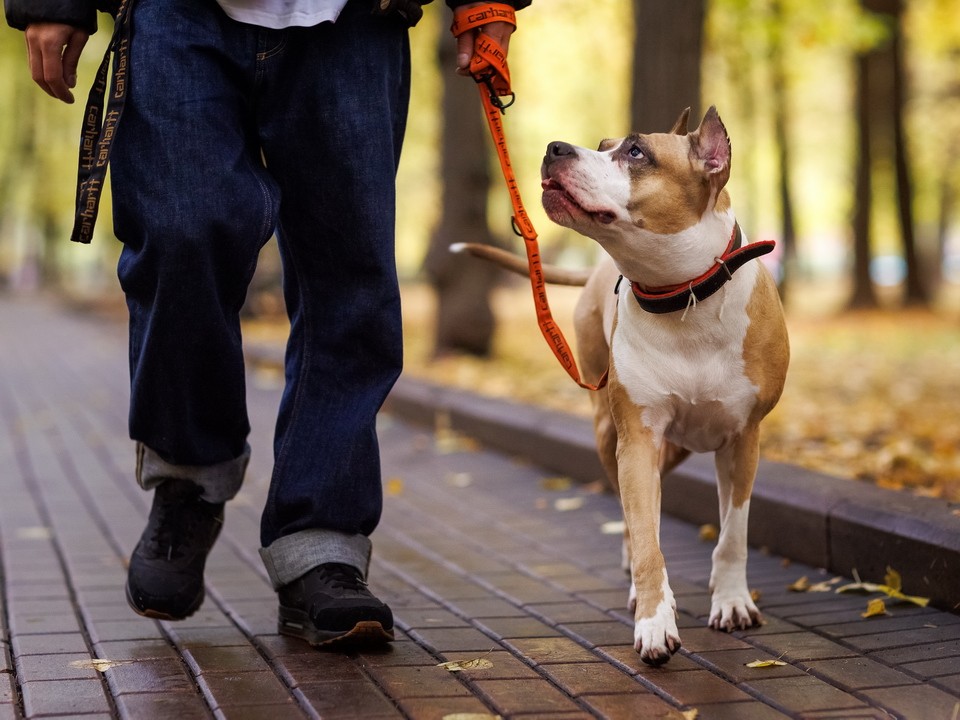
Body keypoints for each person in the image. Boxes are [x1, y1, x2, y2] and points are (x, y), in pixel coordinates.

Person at [5, 0, 530, 647]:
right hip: (175, 13)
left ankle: (320, 542)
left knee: (350, 269)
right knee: (180, 233)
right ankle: (188, 475)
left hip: (355, 19)